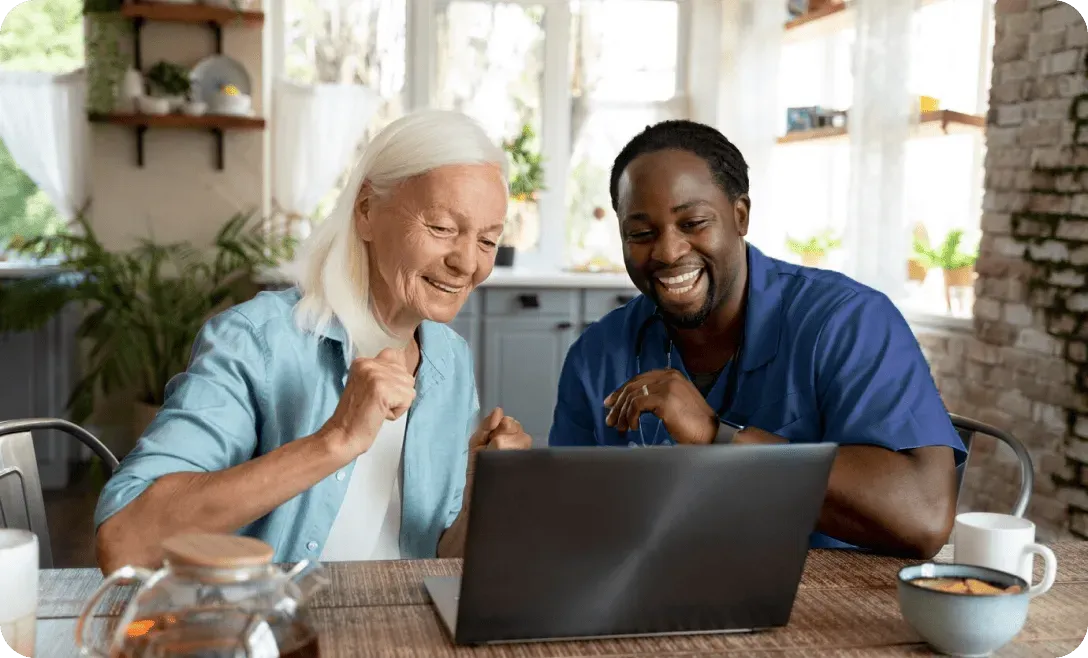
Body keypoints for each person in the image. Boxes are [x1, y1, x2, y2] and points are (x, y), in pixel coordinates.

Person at [94, 110, 531, 573]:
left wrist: (483, 493)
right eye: (442, 228)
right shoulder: (258, 340)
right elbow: (124, 542)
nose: (467, 263)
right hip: (278, 632)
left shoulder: (450, 360)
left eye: (487, 240)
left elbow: (438, 557)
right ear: (366, 210)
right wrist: (335, 440)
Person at [548, 120, 966, 559]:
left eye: (692, 222)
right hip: (651, 608)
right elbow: (569, 523)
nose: (668, 252)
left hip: (828, 607)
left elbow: (925, 516)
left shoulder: (848, 321)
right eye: (640, 234)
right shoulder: (596, 355)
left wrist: (718, 437)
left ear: (740, 216)